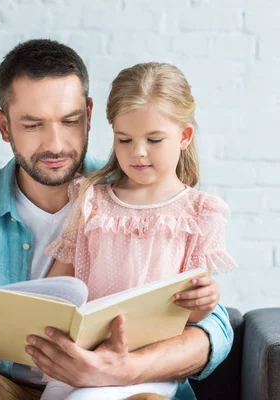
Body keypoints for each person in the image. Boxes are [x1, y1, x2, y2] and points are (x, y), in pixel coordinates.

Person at [0, 40, 234, 400]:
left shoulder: (138, 193)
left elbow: (215, 329)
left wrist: (122, 369)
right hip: (3, 386)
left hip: (120, 387)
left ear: (90, 114)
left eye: (70, 121)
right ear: (4, 126)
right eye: (32, 125)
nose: (55, 144)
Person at [39, 62, 238, 399]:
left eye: (154, 139)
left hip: (145, 366)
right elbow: (61, 284)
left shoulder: (199, 212)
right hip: (83, 357)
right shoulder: (92, 200)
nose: (138, 152)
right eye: (124, 139)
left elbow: (193, 312)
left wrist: (207, 299)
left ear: (184, 137)